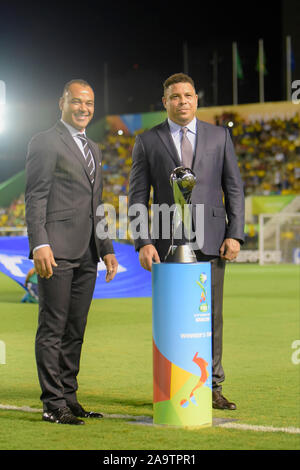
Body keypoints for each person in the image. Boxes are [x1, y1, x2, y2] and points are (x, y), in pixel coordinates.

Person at [128, 73, 245, 410]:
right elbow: (137, 196)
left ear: (197, 100)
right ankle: (173, 384)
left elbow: (233, 187)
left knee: (212, 316)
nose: (182, 101)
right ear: (164, 102)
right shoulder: (147, 141)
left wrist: (235, 233)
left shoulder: (219, 136)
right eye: (175, 96)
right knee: (172, 315)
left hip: (211, 240)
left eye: (188, 95)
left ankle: (213, 386)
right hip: (166, 243)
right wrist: (142, 241)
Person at [25, 79, 118, 425]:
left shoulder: (93, 148)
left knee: (75, 329)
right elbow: (35, 197)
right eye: (77, 102)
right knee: (53, 328)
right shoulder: (45, 142)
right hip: (56, 250)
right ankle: (52, 403)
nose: (84, 108)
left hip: (87, 254)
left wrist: (106, 248)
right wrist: (40, 242)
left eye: (90, 103)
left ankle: (69, 396)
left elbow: (97, 206)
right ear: (61, 102)